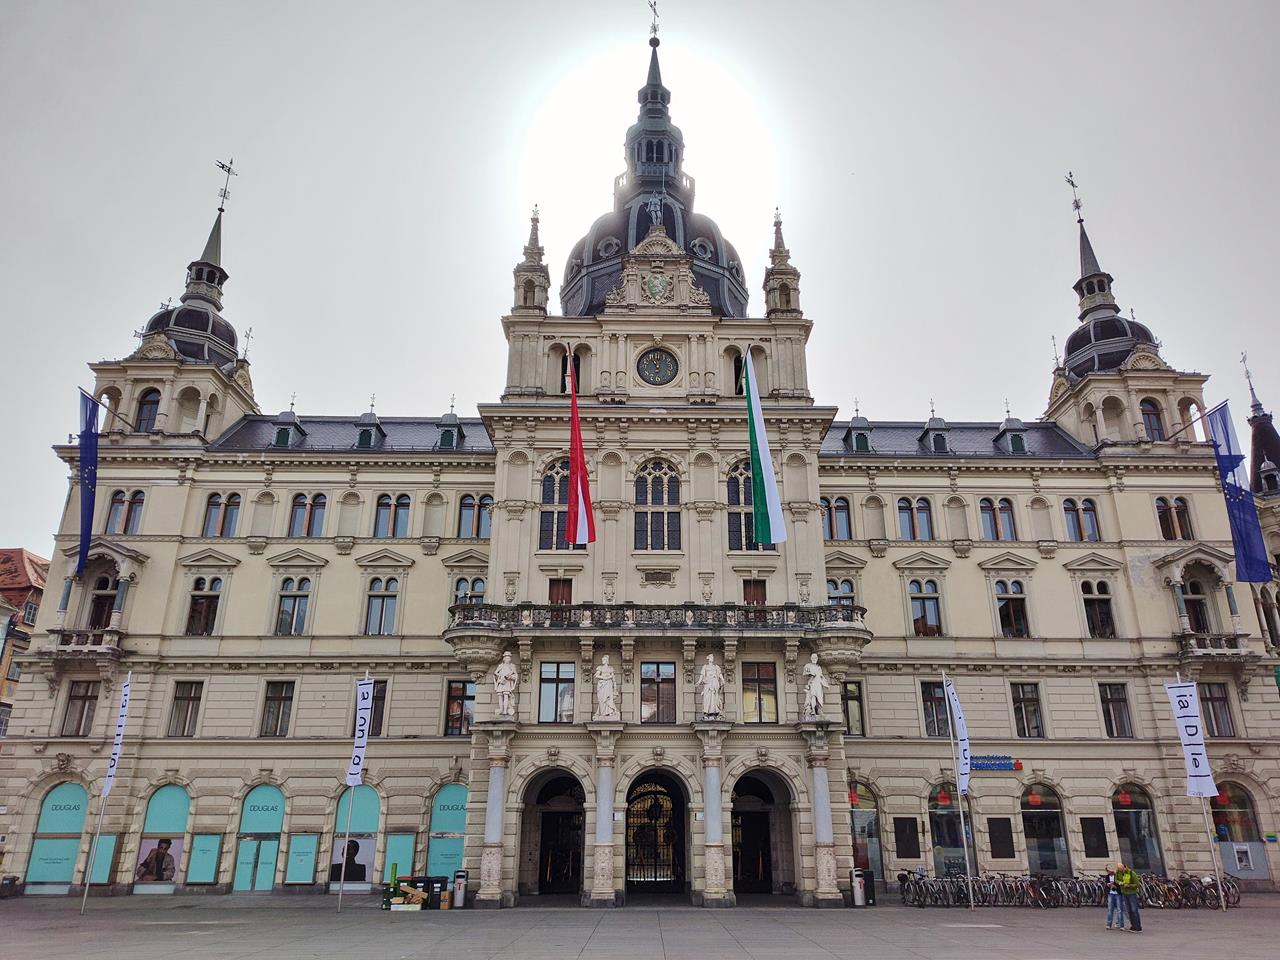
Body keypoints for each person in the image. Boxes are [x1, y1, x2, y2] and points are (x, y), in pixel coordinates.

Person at [1115, 861, 1142, 932]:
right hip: (1124, 893)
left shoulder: (1131, 873)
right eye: (1119, 869)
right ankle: (1133, 926)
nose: (1121, 871)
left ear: (1124, 867)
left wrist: (1129, 885)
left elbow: (1137, 884)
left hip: (1132, 893)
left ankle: (1138, 927)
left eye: (1121, 869)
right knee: (1129, 910)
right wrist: (1119, 883)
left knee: (1134, 910)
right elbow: (1116, 880)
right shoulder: (1118, 873)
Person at [1104, 863, 1125, 930]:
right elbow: (1107, 884)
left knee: (1120, 910)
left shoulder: (1117, 875)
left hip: (1118, 893)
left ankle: (1121, 925)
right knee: (1110, 909)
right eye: (1108, 871)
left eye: (1110, 870)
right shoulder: (1107, 877)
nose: (1109, 872)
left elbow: (1121, 883)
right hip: (1111, 893)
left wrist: (1116, 886)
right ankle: (1108, 924)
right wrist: (1109, 885)